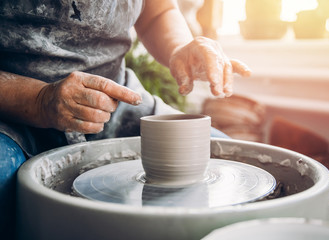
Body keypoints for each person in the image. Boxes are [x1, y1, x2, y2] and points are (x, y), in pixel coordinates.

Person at [0, 0, 251, 238]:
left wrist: (180, 47)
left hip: (118, 97)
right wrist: (39, 101)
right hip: (14, 106)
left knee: (236, 160)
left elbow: (157, 12)